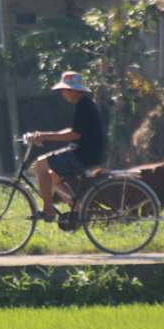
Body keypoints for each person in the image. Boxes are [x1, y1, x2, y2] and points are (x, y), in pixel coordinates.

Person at [27, 71, 104, 222]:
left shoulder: (84, 106)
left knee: (41, 164)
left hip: (83, 155)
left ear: (75, 90)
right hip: (86, 152)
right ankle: (81, 211)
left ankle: (48, 210)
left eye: (66, 90)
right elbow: (74, 131)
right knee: (54, 178)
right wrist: (45, 135)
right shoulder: (84, 104)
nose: (63, 93)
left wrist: (45, 136)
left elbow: (75, 135)